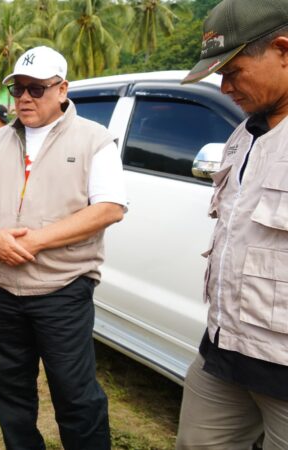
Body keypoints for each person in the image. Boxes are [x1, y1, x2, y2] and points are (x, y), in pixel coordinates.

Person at [0, 46, 126, 450]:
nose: (24, 99)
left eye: (36, 89)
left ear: (62, 89)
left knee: (75, 394)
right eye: (17, 89)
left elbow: (109, 208)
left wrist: (36, 240)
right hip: (0, 288)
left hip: (61, 290)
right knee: (8, 390)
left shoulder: (95, 140)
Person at [177, 1, 288, 448]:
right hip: (224, 350)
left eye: (234, 71)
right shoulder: (244, 133)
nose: (224, 88)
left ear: (283, 49)